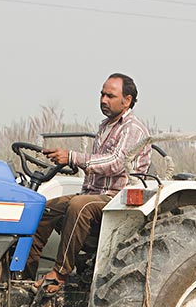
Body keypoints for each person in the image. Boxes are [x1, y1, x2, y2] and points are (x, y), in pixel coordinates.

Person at [26, 73, 150, 294]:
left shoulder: (133, 129)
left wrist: (73, 158)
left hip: (117, 199)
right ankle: (24, 274)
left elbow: (116, 162)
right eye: (102, 94)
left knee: (79, 205)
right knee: (41, 209)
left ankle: (60, 273)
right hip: (95, 195)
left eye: (110, 96)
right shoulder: (105, 127)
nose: (103, 100)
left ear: (127, 100)